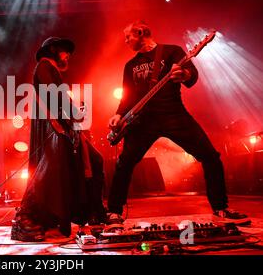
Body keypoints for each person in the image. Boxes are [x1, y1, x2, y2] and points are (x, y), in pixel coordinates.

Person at [107, 21, 249, 226]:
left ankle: (220, 208)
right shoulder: (130, 65)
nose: (126, 40)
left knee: (210, 156)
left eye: (128, 36)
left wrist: (183, 74)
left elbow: (191, 76)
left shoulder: (172, 52)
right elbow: (127, 97)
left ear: (140, 32)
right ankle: (114, 212)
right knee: (124, 164)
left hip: (173, 113)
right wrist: (119, 115)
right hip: (142, 121)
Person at [11, 37, 106, 242]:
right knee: (47, 170)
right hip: (51, 128)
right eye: (65, 51)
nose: (68, 56)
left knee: (88, 163)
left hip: (61, 127)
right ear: (53, 50)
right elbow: (56, 97)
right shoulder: (44, 66)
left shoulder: (50, 70)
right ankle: (23, 217)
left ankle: (94, 211)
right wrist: (74, 112)